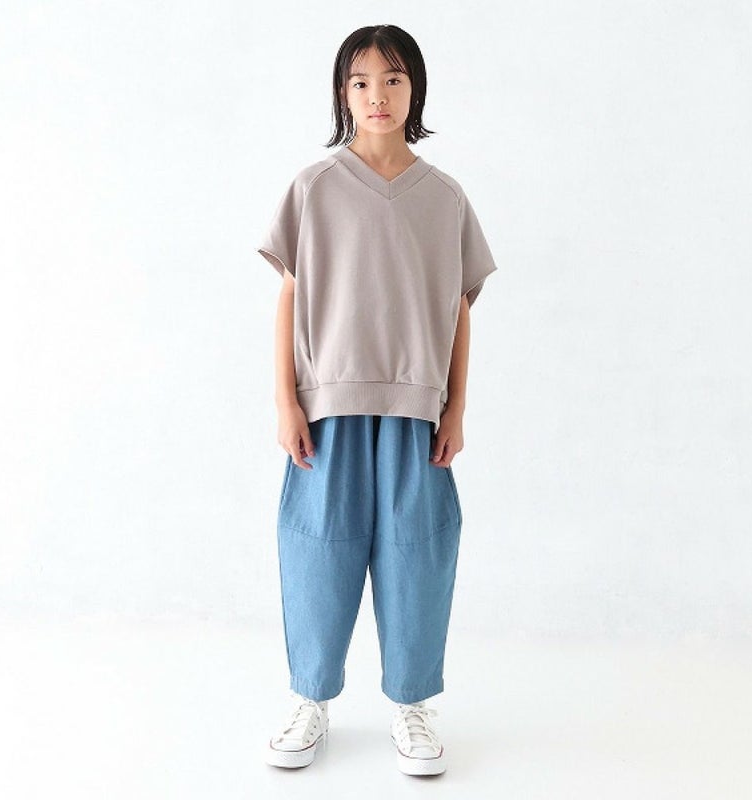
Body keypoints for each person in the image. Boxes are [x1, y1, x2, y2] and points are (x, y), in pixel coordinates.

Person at [255, 24, 498, 776]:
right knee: (316, 549)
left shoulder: (445, 198)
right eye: (361, 81)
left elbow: (460, 307)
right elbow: (288, 297)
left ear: (414, 88)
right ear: (343, 93)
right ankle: (310, 699)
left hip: (417, 408)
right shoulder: (314, 187)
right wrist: (286, 402)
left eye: (393, 79)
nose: (377, 95)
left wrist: (456, 408)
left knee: (418, 552)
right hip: (327, 404)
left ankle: (413, 705)